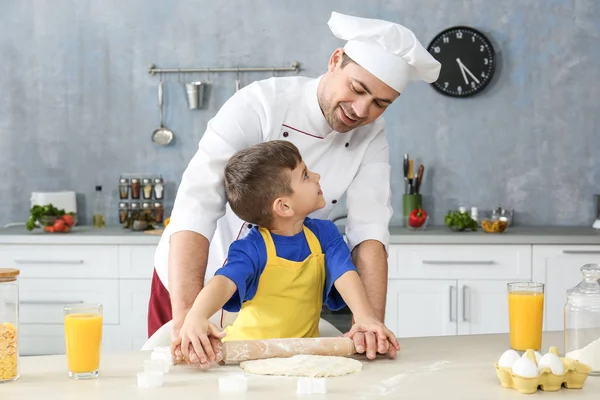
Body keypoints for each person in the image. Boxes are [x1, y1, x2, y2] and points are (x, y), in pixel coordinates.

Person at [148, 11, 441, 363]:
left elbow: (369, 232)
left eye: (381, 103)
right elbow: (196, 206)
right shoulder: (259, 104)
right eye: (357, 89)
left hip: (277, 298)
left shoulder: (371, 137)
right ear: (335, 61)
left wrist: (370, 323)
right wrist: (187, 316)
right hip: (193, 278)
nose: (362, 110)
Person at [171, 140, 400, 368]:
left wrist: (365, 317)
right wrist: (196, 315)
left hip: (303, 359)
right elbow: (224, 281)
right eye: (305, 175)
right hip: (247, 358)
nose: (317, 176)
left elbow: (345, 272)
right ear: (284, 207)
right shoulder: (251, 248)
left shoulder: (324, 235)